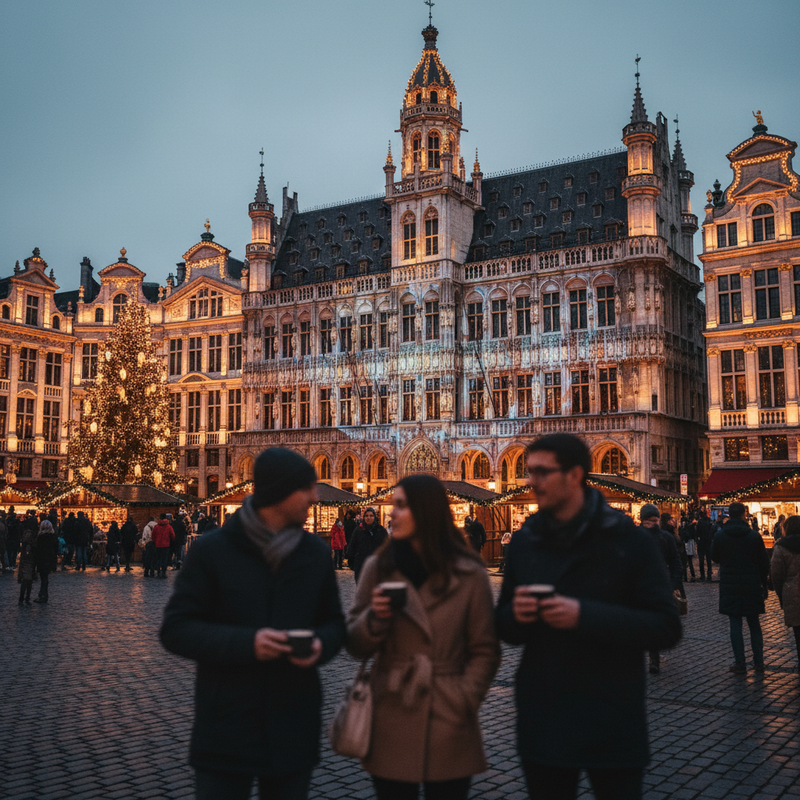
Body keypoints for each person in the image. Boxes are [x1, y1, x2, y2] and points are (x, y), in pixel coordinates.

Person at [496, 434, 681, 800]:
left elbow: (665, 626)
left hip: (610, 716)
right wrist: (514, 616)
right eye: (529, 472)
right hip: (544, 717)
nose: (530, 482)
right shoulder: (524, 541)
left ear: (575, 474)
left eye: (541, 472)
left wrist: (584, 615)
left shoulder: (631, 542)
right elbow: (505, 627)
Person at [160, 447, 345, 800]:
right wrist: (248, 644)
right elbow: (176, 629)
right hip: (227, 725)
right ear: (279, 492)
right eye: (306, 487)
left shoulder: (315, 554)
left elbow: (335, 623)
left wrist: (322, 643)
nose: (314, 496)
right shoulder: (212, 551)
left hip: (293, 725)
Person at [347, 474, 500, 800]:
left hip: (449, 712)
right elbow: (354, 641)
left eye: (400, 506)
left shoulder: (469, 572)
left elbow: (485, 649)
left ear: (427, 511)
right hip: (392, 709)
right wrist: (375, 618)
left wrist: (462, 699)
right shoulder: (378, 567)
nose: (390, 514)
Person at [711, 501, 769, 674]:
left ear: (729, 514)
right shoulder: (753, 536)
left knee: (735, 623)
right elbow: (763, 562)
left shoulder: (721, 536)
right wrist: (763, 584)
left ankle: (740, 662)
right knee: (754, 623)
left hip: (730, 584)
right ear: (744, 514)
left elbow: (715, 557)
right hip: (751, 583)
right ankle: (758, 661)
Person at [640, 506, 683, 674]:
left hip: (659, 587)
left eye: (654, 520)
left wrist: (673, 585)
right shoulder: (635, 536)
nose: (651, 523)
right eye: (648, 520)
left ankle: (654, 659)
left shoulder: (665, 537)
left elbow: (675, 563)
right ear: (642, 520)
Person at [770, 515, 800, 671]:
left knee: (798, 632)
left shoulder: (781, 547)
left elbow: (776, 574)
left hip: (792, 593)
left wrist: (780, 593)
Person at [348, 507, 389, 582]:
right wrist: (354, 565)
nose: (368, 518)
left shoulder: (381, 531)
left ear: (374, 517)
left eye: (371, 515)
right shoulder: (358, 530)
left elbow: (387, 548)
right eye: (366, 516)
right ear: (364, 517)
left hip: (377, 568)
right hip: (361, 567)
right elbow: (352, 547)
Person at [34, 520, 59, 604]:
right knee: (45, 578)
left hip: (42, 559)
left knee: (43, 578)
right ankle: (43, 594)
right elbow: (56, 549)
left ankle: (43, 595)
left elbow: (37, 550)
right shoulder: (54, 536)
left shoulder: (40, 537)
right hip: (50, 559)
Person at [152, 514, 175, 578]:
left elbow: (153, 536)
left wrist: (155, 541)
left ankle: (158, 572)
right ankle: (163, 572)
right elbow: (173, 536)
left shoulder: (156, 526)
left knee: (158, 558)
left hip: (158, 545)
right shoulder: (169, 527)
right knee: (164, 559)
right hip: (166, 545)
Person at [695, 510, 714, 581]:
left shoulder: (700, 522)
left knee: (701, 560)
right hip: (708, 542)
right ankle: (709, 574)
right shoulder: (709, 522)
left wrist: (698, 540)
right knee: (708, 559)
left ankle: (702, 575)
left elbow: (697, 533)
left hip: (702, 543)